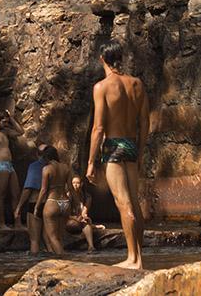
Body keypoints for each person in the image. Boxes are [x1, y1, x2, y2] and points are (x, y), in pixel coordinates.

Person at [86, 40, 149, 270]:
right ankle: (139, 255)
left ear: (102, 59)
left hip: (113, 146)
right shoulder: (137, 84)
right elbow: (145, 122)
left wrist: (91, 162)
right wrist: (140, 152)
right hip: (131, 144)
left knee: (123, 204)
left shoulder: (101, 87)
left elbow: (99, 128)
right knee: (134, 202)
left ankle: (133, 259)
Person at [34, 145, 70, 255]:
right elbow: (71, 189)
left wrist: (37, 206)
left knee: (52, 238)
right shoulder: (65, 167)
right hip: (66, 203)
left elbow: (44, 190)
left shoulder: (47, 169)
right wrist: (77, 204)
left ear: (46, 157)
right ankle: (63, 258)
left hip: (52, 202)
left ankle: (65, 260)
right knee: (60, 237)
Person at [14, 139, 47, 253]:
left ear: (37, 154)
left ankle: (36, 265)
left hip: (35, 202)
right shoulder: (58, 167)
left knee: (34, 240)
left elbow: (28, 189)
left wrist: (19, 207)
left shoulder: (35, 166)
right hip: (52, 203)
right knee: (50, 238)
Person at [69, 168, 104, 251]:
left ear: (81, 184)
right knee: (75, 223)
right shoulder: (69, 195)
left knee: (85, 223)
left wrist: (83, 217)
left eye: (77, 183)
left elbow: (84, 212)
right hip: (70, 219)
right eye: (73, 183)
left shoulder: (87, 196)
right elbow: (66, 214)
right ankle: (94, 226)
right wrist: (76, 218)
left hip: (80, 219)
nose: (75, 185)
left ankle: (91, 246)